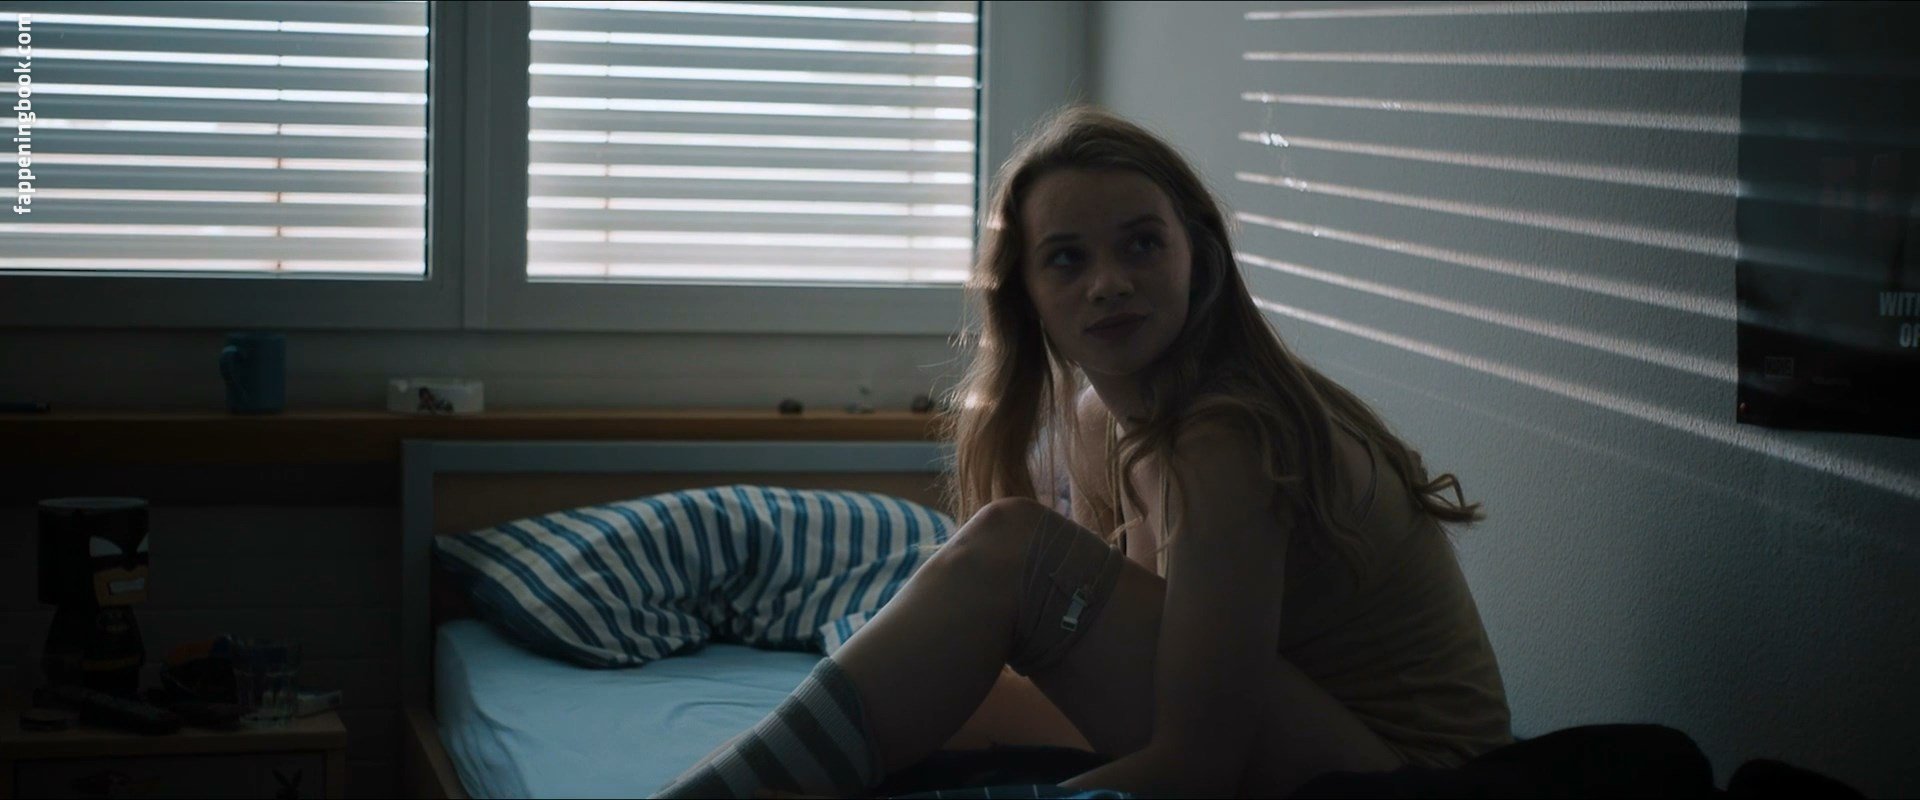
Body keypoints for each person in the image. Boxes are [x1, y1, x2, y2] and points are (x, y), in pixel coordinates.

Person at [654, 105, 1512, 799]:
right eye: (1066, 259)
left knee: (1012, 552)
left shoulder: (1229, 438)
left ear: (1197, 255)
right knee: (938, 695)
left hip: (1411, 780)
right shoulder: (1103, 421)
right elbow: (1150, 676)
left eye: (1142, 243)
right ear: (1026, 294)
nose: (1109, 283)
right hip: (1305, 738)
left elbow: (1196, 768)